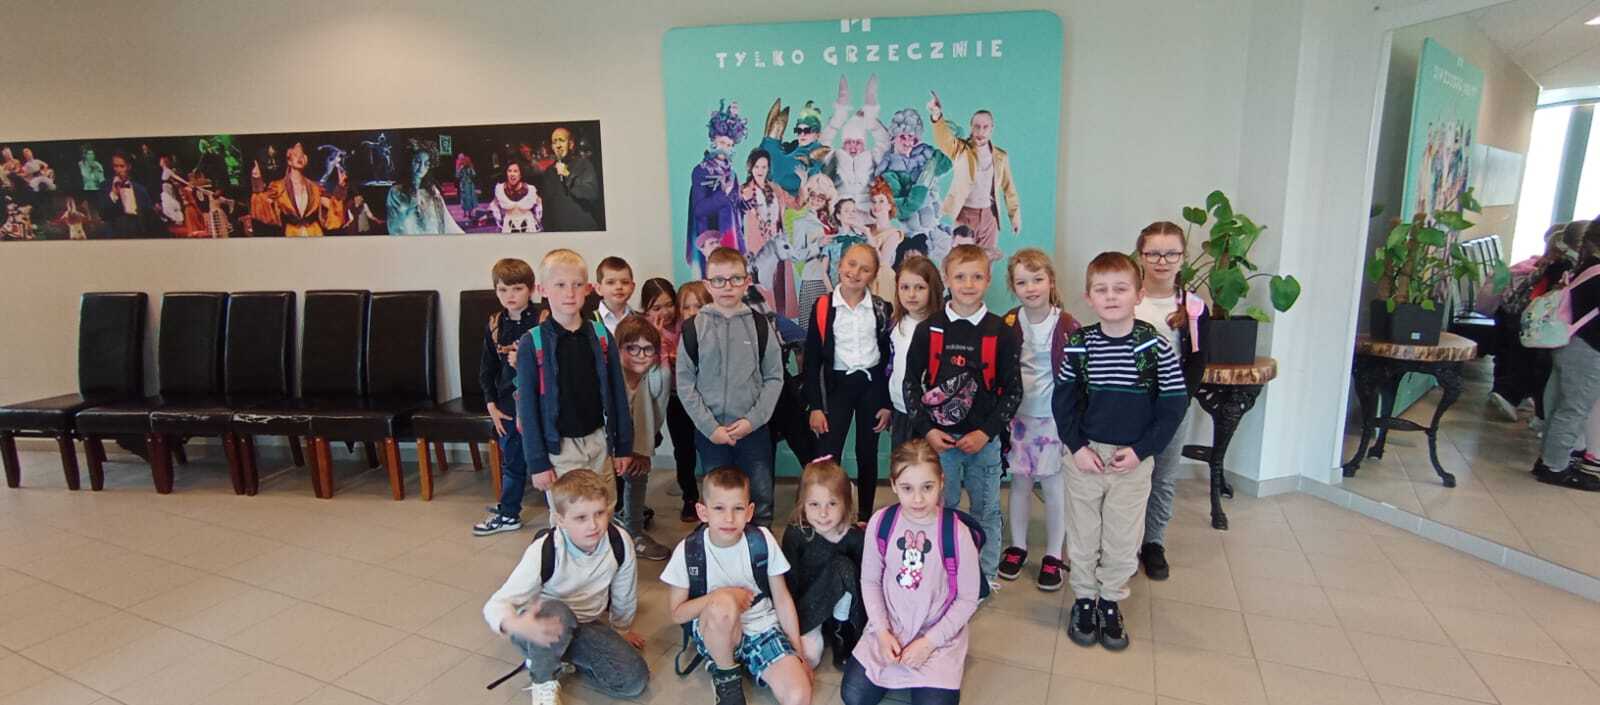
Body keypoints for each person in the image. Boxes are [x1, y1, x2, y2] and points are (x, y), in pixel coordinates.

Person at [1052, 252, 1188, 651]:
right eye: (1101, 289)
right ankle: (1084, 599)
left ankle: (1110, 601)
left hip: (1132, 460)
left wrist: (1142, 450)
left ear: (1138, 295)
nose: (1111, 297)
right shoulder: (1080, 345)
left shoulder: (1154, 346)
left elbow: (1173, 405)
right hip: (1085, 457)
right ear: (1089, 297)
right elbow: (1063, 403)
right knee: (1083, 534)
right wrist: (1077, 448)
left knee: (1123, 537)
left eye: (1120, 289)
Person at [475, 250, 634, 534]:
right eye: (560, 285)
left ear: (588, 289)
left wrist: (623, 446)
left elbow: (617, 395)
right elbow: (527, 409)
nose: (569, 293)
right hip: (559, 449)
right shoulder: (532, 343)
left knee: (603, 514)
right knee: (568, 521)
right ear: (543, 289)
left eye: (577, 285)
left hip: (598, 442)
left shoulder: (601, 336)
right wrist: (537, 462)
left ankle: (603, 561)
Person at [903, 244, 1022, 590]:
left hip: (984, 442)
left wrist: (986, 432)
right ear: (946, 279)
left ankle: (985, 576)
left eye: (976, 277)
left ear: (988, 279)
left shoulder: (1001, 331)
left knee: (986, 510)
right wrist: (927, 430)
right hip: (941, 443)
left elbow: (1013, 392)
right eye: (960, 277)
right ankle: (943, 572)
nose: (968, 284)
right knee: (942, 508)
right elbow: (910, 384)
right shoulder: (930, 329)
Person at [482, 469, 649, 705]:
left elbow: (625, 592)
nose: (593, 525)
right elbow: (496, 603)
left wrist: (621, 629)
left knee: (634, 681)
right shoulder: (545, 550)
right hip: (540, 625)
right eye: (581, 518)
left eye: (600, 513)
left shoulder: (619, 541)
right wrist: (516, 624)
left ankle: (558, 656)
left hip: (584, 624)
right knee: (558, 611)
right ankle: (543, 679)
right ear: (560, 520)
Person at [844, 439, 980, 705]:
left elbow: (967, 599)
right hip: (890, 627)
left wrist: (928, 643)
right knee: (853, 696)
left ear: (941, 482)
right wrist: (882, 632)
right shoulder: (881, 522)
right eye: (907, 488)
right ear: (894, 485)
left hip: (937, 635)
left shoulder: (957, 533)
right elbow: (870, 580)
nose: (918, 499)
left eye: (927, 487)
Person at [662, 467, 811, 705]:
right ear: (703, 512)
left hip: (762, 627)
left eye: (738, 508)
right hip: (715, 630)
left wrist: (798, 652)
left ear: (750, 511)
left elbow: (782, 598)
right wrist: (723, 594)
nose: (729, 518)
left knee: (799, 695)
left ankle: (751, 660)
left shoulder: (762, 540)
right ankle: (726, 675)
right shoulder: (689, 550)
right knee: (723, 604)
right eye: (719, 508)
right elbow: (678, 613)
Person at [677, 248, 786, 527]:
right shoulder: (693, 328)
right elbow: (685, 383)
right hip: (711, 433)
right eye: (719, 280)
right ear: (707, 284)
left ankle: (760, 547)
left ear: (746, 281)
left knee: (760, 498)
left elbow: (774, 377)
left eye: (735, 279)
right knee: (719, 499)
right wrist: (709, 427)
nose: (727, 286)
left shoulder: (760, 325)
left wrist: (753, 420)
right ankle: (722, 547)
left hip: (753, 431)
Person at [997, 248, 1080, 592]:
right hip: (1019, 417)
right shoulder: (1009, 323)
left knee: (1053, 485)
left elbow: (1078, 376)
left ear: (1051, 282)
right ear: (1013, 287)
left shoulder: (1067, 324)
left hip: (1054, 418)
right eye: (1022, 282)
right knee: (1020, 482)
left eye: (1037, 279)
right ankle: (1017, 546)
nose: (1030, 288)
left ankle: (1053, 554)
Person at [1133, 221, 1209, 581]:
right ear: (1141, 255)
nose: (1161, 261)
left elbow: (1196, 362)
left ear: (1183, 257)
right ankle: (1125, 541)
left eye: (1170, 254)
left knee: (1162, 477)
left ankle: (1153, 543)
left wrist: (1177, 404)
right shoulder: (1128, 298)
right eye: (1153, 253)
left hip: (1171, 406)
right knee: (1129, 476)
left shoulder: (1193, 308)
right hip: (1129, 406)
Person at [804, 243, 894, 523]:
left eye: (865, 269)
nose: (856, 273)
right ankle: (830, 512)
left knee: (867, 452)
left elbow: (887, 360)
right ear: (840, 264)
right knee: (829, 454)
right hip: (836, 388)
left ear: (873, 276)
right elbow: (811, 360)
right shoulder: (823, 306)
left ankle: (865, 515)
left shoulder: (880, 308)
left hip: (870, 387)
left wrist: (886, 403)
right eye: (851, 264)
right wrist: (815, 406)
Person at [474, 258, 544, 536]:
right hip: (507, 405)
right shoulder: (495, 324)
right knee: (512, 460)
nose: (510, 296)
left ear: (531, 289)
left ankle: (563, 513)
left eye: (517, 289)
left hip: (539, 402)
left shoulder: (544, 320)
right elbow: (486, 369)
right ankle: (509, 512)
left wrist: (526, 361)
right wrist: (491, 405)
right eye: (503, 290)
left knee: (549, 458)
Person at [1532, 219, 1600, 491]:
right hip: (1588, 349)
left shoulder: (1587, 266)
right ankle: (1555, 467)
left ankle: (1548, 459)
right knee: (1573, 409)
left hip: (1569, 344)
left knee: (1560, 405)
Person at [780, 457, 866, 670]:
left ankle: (840, 632)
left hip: (843, 609)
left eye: (832, 504)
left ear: (846, 503)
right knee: (809, 658)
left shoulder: (854, 537)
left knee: (843, 567)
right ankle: (815, 629)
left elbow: (862, 584)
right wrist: (792, 624)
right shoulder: (796, 534)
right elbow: (789, 584)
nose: (823, 513)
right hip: (809, 607)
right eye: (814, 504)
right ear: (803, 504)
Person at [927, 95, 1020, 263]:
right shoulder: (961, 150)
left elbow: (1009, 189)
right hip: (965, 214)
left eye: (985, 127)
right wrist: (936, 115)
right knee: (962, 262)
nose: (981, 132)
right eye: (977, 127)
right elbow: (944, 141)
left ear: (991, 129)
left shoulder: (1001, 156)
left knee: (984, 265)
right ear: (971, 127)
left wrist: (1015, 217)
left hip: (989, 217)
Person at [615, 316, 674, 560]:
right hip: (608, 440)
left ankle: (635, 531)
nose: (640, 355)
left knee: (637, 475)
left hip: (639, 438)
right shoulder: (611, 376)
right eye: (632, 348)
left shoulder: (655, 377)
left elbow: (656, 413)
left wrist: (641, 451)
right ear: (618, 349)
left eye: (647, 349)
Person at [688, 101, 750, 275]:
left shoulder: (732, 173)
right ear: (713, 141)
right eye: (722, 143)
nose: (725, 149)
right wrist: (723, 194)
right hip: (713, 242)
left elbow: (736, 210)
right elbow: (699, 210)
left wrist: (745, 201)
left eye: (729, 145)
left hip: (733, 240)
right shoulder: (701, 170)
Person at [888, 257, 943, 447]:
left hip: (931, 415)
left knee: (928, 463)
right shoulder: (896, 324)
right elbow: (890, 366)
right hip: (900, 409)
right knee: (902, 461)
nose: (911, 294)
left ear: (932, 289)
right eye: (905, 287)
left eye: (920, 287)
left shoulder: (940, 327)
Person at [741, 149, 799, 318]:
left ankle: (781, 324)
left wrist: (803, 182)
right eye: (757, 167)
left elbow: (797, 204)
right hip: (756, 246)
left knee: (779, 286)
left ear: (768, 169)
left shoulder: (776, 189)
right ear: (750, 168)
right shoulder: (743, 191)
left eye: (764, 167)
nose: (760, 171)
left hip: (777, 243)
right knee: (761, 289)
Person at [249, 141, 347, 237]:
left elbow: (334, 208)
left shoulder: (315, 188)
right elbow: (261, 205)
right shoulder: (279, 187)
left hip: (314, 234)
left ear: (306, 159)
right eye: (296, 154)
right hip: (291, 235)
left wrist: (340, 187)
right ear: (289, 160)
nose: (300, 158)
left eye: (302, 155)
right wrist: (256, 179)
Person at [789, 173, 839, 331]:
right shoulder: (801, 223)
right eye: (812, 195)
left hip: (835, 279)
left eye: (821, 197)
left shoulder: (834, 222)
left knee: (832, 327)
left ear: (827, 200)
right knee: (810, 327)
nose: (815, 200)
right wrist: (817, 245)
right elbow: (796, 255)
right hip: (813, 278)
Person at [386, 143, 464, 234]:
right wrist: (412, 200)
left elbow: (444, 220)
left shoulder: (432, 191)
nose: (421, 168)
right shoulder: (396, 192)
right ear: (410, 161)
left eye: (426, 164)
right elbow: (395, 224)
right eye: (418, 162)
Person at [537, 127, 602, 231]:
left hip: (582, 230)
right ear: (552, 147)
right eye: (554, 142)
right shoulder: (549, 172)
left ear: (571, 144)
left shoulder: (583, 165)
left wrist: (567, 174)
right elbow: (547, 208)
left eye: (562, 140)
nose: (558, 145)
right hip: (559, 232)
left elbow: (592, 193)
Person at [95, 150, 157, 238]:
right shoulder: (105, 186)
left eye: (122, 166)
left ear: (129, 167)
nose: (118, 170)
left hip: (138, 236)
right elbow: (102, 213)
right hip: (115, 236)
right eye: (115, 166)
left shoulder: (140, 190)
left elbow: (149, 216)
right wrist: (114, 194)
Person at [494, 162, 543, 233]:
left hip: (528, 227)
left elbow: (539, 203)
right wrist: (498, 217)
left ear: (520, 174)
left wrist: (538, 216)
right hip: (508, 228)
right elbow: (494, 204)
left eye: (515, 171)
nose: (512, 174)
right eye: (509, 171)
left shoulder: (531, 189)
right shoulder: (499, 189)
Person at [593, 256, 637, 336]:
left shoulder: (641, 320)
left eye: (625, 282)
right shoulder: (587, 321)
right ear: (599, 289)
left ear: (632, 287)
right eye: (610, 282)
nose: (619, 287)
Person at [455, 153, 479, 219]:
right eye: (460, 158)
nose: (462, 159)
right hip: (463, 185)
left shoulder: (469, 166)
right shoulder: (459, 167)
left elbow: (474, 174)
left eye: (462, 158)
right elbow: (457, 176)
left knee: (470, 199)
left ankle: (470, 213)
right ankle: (465, 213)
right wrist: (460, 169)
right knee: (464, 199)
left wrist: (471, 168)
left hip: (470, 185)